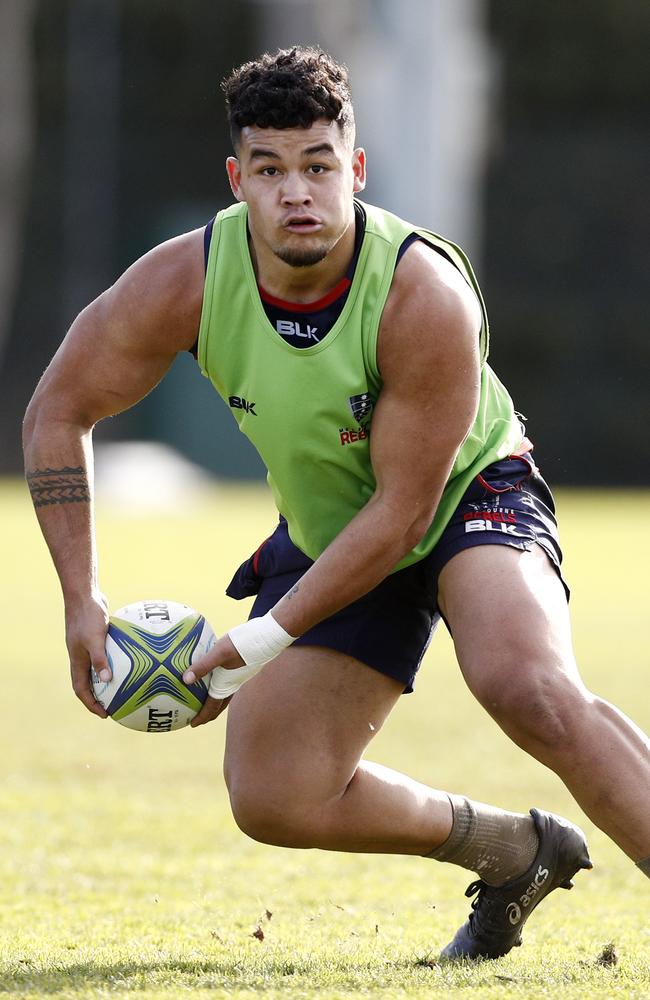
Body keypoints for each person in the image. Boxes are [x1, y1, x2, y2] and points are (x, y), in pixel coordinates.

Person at [23, 46, 649, 961]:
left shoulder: (421, 293)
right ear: (239, 181)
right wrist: (81, 597)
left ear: (354, 168)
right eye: (271, 170)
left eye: (318, 165)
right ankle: (517, 853)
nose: (298, 192)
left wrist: (252, 643)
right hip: (330, 529)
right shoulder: (185, 281)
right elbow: (57, 411)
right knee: (274, 796)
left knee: (529, 689)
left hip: (467, 499)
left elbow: (403, 515)